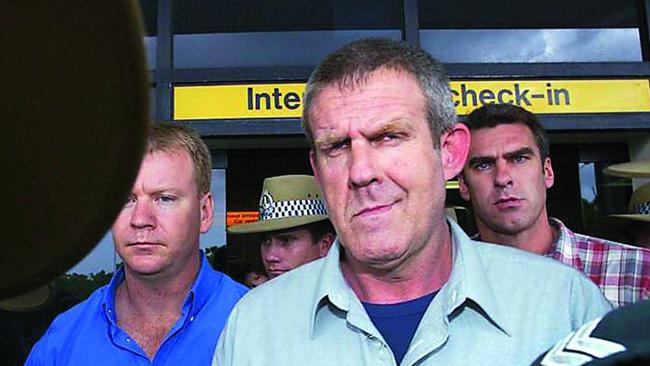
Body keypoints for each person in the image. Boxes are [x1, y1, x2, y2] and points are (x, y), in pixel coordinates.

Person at [214, 38, 611, 366]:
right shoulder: (254, 328)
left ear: (450, 153)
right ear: (317, 170)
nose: (361, 171)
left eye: (388, 137)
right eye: (337, 146)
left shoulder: (564, 307)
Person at [26, 124, 247, 365]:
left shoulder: (255, 322)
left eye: (164, 198)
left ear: (204, 213)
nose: (141, 220)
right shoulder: (62, 341)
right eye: (125, 200)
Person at [458, 103, 650, 308]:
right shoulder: (447, 280)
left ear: (547, 172)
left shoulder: (637, 272)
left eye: (519, 158)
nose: (503, 178)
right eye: (483, 165)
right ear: (463, 185)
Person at [228, 175, 335, 280]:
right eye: (266, 241)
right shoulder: (255, 297)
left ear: (324, 245)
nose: (270, 256)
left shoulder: (346, 296)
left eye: (286, 240)